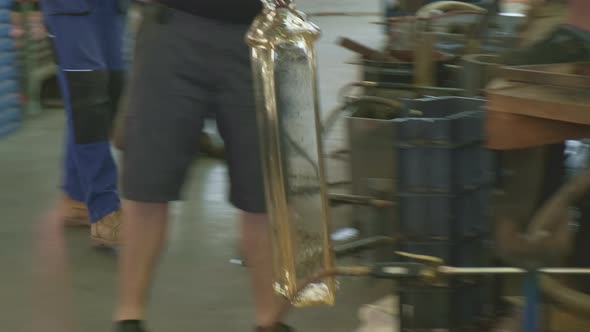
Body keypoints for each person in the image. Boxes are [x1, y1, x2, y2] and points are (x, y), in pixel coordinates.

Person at [114, 1, 290, 332]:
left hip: (258, 33)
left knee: (262, 190)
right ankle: (128, 317)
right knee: (148, 184)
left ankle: (270, 321)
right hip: (172, 30)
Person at [39, 0, 127, 246]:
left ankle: (77, 197)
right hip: (68, 6)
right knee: (87, 98)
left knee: (110, 92)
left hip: (109, 6)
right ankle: (105, 211)